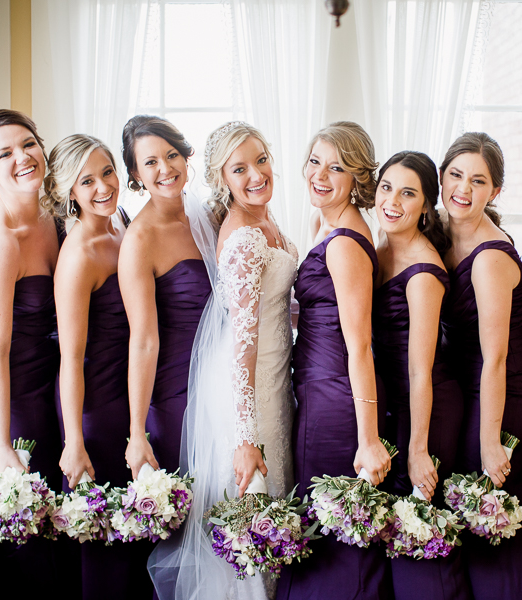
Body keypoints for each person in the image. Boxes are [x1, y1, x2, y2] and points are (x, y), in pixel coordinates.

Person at [149, 121, 297, 600]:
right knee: (257, 511)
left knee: (273, 516)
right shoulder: (243, 239)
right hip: (249, 387)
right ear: (223, 180)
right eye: (240, 169)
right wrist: (244, 436)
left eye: (261, 160)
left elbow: (281, 307)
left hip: (275, 377)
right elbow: (242, 343)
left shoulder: (268, 220)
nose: (255, 174)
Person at [0, 109, 75, 597]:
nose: (23, 157)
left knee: (45, 518)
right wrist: (3, 444)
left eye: (28, 144)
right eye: (5, 153)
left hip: (42, 386)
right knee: (11, 521)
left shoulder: (52, 219)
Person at [276, 122, 393, 600]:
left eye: (337, 167)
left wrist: (368, 440)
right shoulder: (323, 224)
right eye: (315, 161)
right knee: (323, 524)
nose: (320, 175)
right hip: (316, 387)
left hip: (337, 400)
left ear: (357, 178)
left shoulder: (345, 242)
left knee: (330, 532)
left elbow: (360, 344)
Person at [45, 134, 152, 599]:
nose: (103, 187)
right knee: (104, 536)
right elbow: (69, 358)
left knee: (133, 531)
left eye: (107, 172)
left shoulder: (122, 223)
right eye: (86, 181)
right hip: (92, 405)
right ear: (69, 191)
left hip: (126, 395)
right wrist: (74, 442)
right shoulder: (78, 256)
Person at [439, 132, 522, 599]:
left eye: (477, 181)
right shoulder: (439, 235)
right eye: (456, 175)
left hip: (505, 388)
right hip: (467, 384)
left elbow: (496, 356)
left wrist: (490, 442)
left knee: (494, 511)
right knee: (468, 511)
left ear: (495, 192)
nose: (463, 188)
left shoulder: (489, 257)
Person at [372, 151, 472, 600]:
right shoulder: (380, 247)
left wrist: (418, 451)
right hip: (395, 403)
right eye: (386, 187)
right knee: (396, 533)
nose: (392, 200)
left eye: (407, 192)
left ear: (427, 206)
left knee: (421, 534)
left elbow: (421, 369)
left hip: (428, 407)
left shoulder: (423, 271)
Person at [118, 116, 211, 479]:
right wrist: (136, 432)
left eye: (171, 155)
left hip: (221, 379)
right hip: (178, 391)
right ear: (136, 173)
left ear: (186, 156)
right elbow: (142, 340)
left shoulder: (208, 214)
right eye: (151, 162)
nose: (165, 169)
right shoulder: (140, 240)